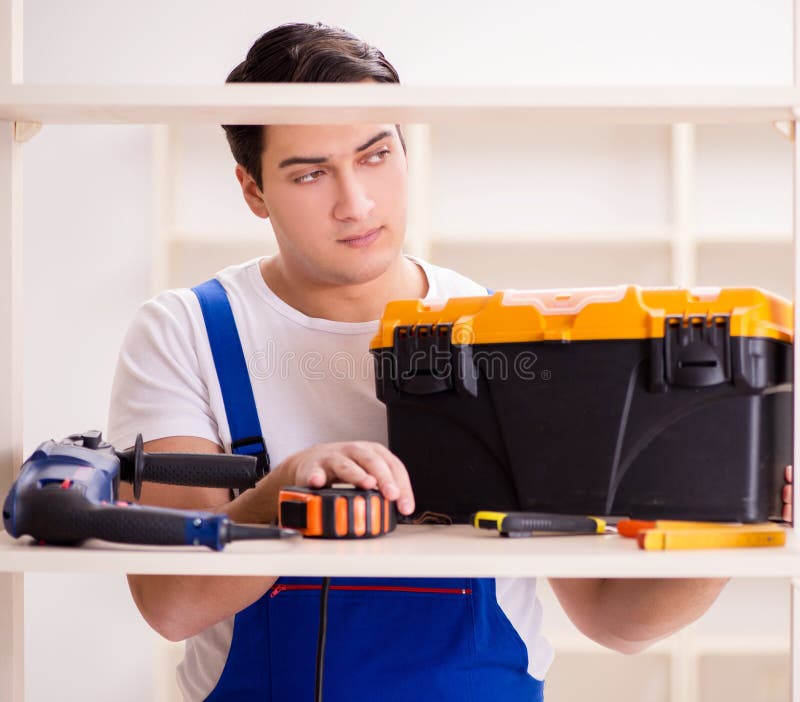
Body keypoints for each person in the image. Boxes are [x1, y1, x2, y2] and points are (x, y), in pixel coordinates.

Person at [107, 22, 793, 701]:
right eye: (312, 173)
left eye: (375, 155)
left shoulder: (496, 334)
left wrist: (739, 517)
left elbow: (615, 620)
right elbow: (171, 604)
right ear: (253, 190)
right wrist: (279, 496)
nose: (357, 202)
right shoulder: (187, 332)